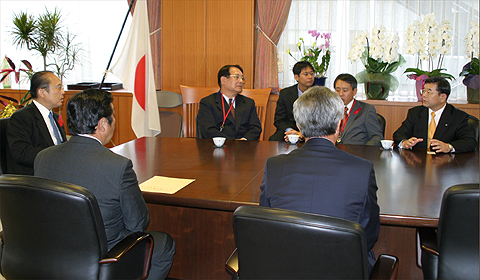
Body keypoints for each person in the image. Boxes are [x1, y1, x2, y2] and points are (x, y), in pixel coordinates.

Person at [34, 89, 175, 279]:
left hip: (52, 250)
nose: (114, 120)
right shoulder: (117, 166)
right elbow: (138, 223)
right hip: (103, 254)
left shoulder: (43, 157)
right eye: (113, 116)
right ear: (102, 124)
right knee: (164, 243)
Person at [259, 86, 380, 270]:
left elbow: (265, 226)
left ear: (299, 126)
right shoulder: (362, 169)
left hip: (283, 267)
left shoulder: (274, 166)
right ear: (340, 124)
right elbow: (369, 233)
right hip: (341, 268)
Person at [393, 76, 476, 153]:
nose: (424, 95)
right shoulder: (415, 113)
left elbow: (470, 141)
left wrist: (449, 147)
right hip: (418, 162)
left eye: (429, 92)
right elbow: (399, 134)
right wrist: (404, 142)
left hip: (446, 164)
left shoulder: (458, 116)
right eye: (424, 91)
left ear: (443, 97)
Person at [7, 71, 67, 175]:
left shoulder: (55, 117)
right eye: (58, 87)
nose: (63, 92)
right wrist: (56, 155)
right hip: (35, 177)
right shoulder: (22, 117)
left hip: (57, 171)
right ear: (42, 92)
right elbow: (21, 152)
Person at [197, 64, 262, 140]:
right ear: (223, 80)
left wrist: (244, 140)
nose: (241, 81)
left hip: (244, 147)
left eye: (242, 78)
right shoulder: (208, 102)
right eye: (237, 77)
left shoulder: (248, 103)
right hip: (219, 147)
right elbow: (208, 130)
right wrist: (231, 143)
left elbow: (255, 128)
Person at [269, 61, 314, 142]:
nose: (310, 77)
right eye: (306, 74)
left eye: (312, 74)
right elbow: (279, 119)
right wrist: (291, 131)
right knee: (274, 139)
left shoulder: (319, 94)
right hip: (289, 130)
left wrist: (303, 133)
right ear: (296, 77)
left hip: (311, 132)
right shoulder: (285, 93)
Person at [334, 73, 384, 146]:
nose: (341, 94)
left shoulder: (367, 110)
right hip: (333, 154)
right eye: (338, 90)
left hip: (357, 154)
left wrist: (364, 151)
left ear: (354, 91)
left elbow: (377, 137)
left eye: (345, 90)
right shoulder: (330, 110)